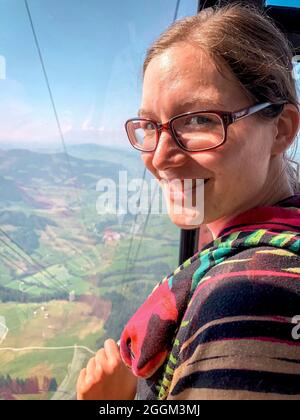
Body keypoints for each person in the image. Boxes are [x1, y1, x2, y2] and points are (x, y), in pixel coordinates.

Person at [77, 3, 300, 400]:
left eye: (198, 119)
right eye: (150, 125)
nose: (160, 156)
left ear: (280, 131)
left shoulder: (247, 300)